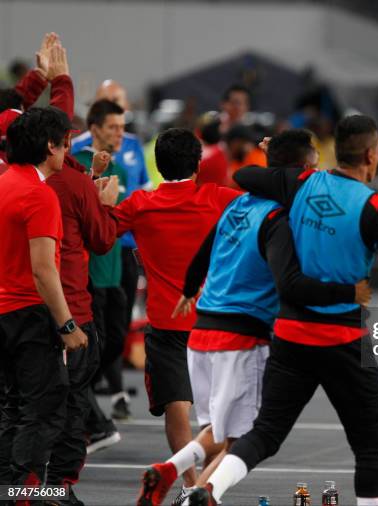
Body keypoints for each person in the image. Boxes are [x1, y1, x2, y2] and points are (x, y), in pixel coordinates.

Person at [187, 116, 378, 506]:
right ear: (370, 154)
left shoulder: (301, 183)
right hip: (343, 339)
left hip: (291, 336)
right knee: (370, 446)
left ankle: (209, 489)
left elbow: (246, 177)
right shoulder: (375, 206)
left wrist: (275, 161)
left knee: (265, 432)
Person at [135, 129, 371, 506]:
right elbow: (288, 283)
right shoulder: (277, 218)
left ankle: (170, 471)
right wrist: (345, 293)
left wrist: (187, 290)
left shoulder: (236, 205)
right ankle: (198, 495)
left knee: (222, 429)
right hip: (239, 338)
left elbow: (203, 251)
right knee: (248, 437)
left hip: (202, 331)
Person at [108, 128, 241, 502]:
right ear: (198, 166)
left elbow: (99, 235)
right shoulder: (219, 198)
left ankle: (188, 485)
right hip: (215, 324)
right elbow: (267, 208)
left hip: (166, 323)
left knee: (176, 408)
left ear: (159, 165)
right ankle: (203, 489)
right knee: (226, 418)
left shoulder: (139, 203)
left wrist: (98, 194)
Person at [0, 107, 88, 489]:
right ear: (49, 146)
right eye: (64, 142)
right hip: (30, 316)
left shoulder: (3, 183)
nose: (68, 149)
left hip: (3, 313)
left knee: (11, 408)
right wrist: (68, 325)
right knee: (43, 410)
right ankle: (25, 494)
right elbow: (43, 270)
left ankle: (7, 489)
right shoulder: (40, 195)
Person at [72, 79, 151, 390]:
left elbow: (143, 195)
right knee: (96, 323)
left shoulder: (130, 149)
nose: (119, 130)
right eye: (110, 100)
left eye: (120, 100)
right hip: (92, 253)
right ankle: (100, 392)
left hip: (124, 246)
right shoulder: (76, 153)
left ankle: (102, 385)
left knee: (117, 327)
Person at [74, 99, 131, 432]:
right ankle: (84, 410)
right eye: (113, 127)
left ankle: (84, 399)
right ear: (94, 129)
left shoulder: (120, 169)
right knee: (95, 343)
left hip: (115, 264)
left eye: (122, 127)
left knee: (116, 341)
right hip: (90, 269)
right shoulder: (80, 164)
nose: (119, 133)